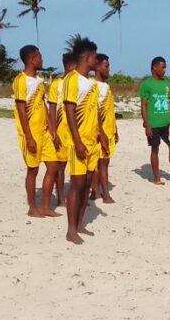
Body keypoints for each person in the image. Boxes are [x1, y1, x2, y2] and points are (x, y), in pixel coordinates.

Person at [59, 39, 108, 244]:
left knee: (87, 184)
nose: (97, 60)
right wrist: (77, 141)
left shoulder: (92, 84)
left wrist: (102, 134)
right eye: (95, 57)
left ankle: (79, 225)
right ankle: (71, 230)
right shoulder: (72, 80)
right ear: (87, 57)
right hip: (78, 142)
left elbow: (94, 111)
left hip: (92, 141)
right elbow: (70, 111)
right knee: (77, 184)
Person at [13, 45, 61, 218]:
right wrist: (28, 137)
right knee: (33, 170)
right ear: (31, 59)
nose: (42, 59)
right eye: (40, 56)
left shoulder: (40, 82)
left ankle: (46, 206)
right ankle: (32, 207)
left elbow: (44, 105)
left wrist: (52, 128)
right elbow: (21, 109)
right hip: (30, 133)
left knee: (53, 167)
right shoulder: (20, 81)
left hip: (45, 132)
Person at [139, 57, 170, 185]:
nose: (165, 70)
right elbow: (143, 105)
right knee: (155, 149)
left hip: (166, 123)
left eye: (165, 67)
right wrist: (147, 125)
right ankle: (157, 178)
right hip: (153, 124)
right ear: (154, 68)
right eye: (163, 67)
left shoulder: (166, 84)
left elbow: (169, 103)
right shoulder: (146, 84)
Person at [44, 52, 75, 208]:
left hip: (77, 130)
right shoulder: (57, 84)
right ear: (70, 66)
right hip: (62, 130)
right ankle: (61, 197)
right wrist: (53, 131)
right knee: (61, 166)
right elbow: (52, 109)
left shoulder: (80, 83)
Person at [91, 53, 118, 204]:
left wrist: (115, 129)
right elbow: (96, 111)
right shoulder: (94, 86)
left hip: (109, 129)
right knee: (103, 162)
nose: (108, 69)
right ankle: (105, 194)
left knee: (100, 161)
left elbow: (108, 110)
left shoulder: (105, 86)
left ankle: (95, 190)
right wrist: (101, 132)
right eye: (106, 66)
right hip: (100, 131)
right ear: (97, 67)